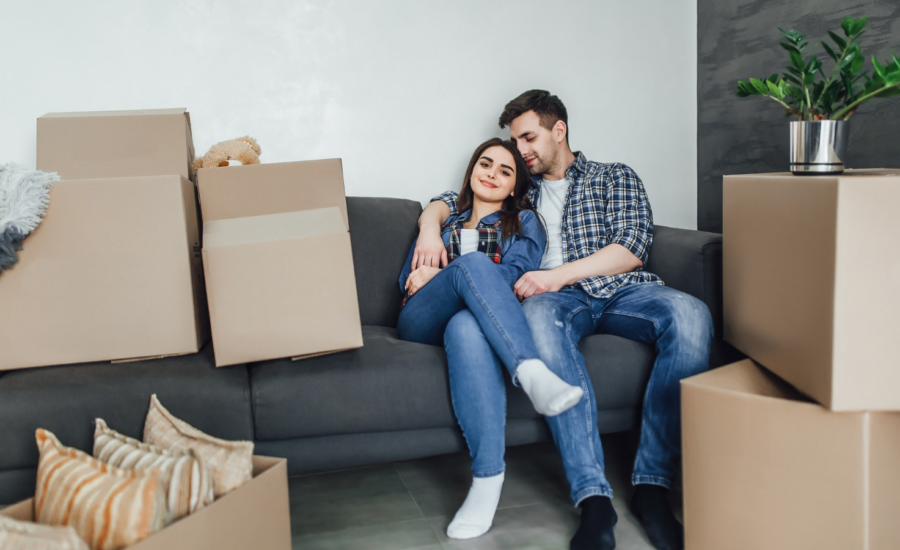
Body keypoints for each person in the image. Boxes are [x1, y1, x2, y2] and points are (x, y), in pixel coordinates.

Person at [413, 91, 713, 550]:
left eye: (528, 138)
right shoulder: (517, 186)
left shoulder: (614, 177)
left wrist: (556, 276)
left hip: (619, 290)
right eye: (515, 141)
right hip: (553, 303)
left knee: (692, 315)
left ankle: (653, 486)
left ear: (559, 130)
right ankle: (593, 499)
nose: (521, 150)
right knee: (544, 336)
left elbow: (633, 246)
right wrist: (430, 229)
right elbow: (449, 200)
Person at [396, 137, 584, 540]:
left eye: (506, 171)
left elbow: (515, 279)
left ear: (516, 186)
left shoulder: (524, 223)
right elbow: (408, 281)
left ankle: (487, 481)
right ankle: (531, 371)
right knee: (474, 267)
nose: (492, 174)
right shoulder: (444, 220)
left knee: (466, 323)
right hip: (420, 320)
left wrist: (450, 272)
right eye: (486, 164)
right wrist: (438, 265)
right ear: (472, 170)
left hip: (469, 321)